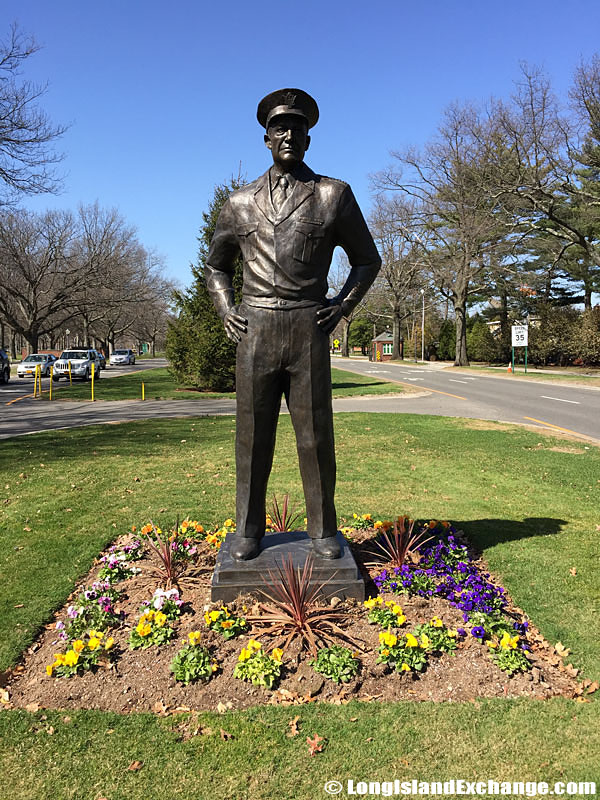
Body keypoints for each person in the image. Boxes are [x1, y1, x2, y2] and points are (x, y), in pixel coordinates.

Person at [206, 88, 381, 561]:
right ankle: (248, 530)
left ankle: (324, 530)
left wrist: (342, 306)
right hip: (256, 329)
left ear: (308, 138)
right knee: (252, 435)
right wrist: (226, 308)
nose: (288, 135)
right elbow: (216, 265)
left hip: (308, 327)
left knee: (315, 434)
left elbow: (367, 260)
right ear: (266, 138)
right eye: (279, 128)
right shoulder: (240, 203)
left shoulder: (332, 195)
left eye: (297, 128)